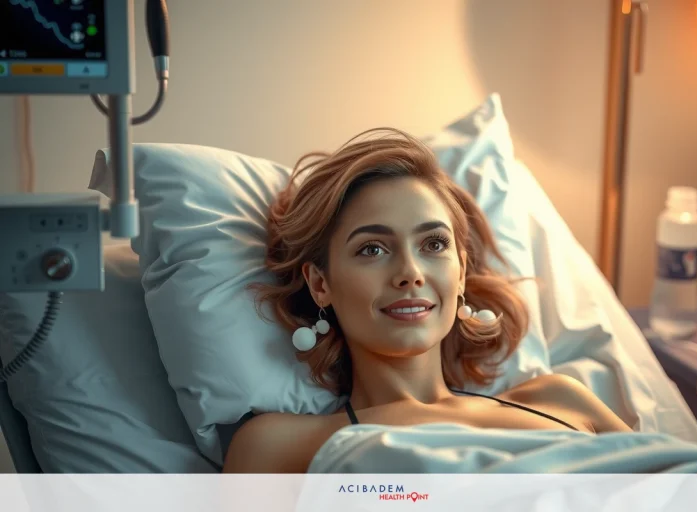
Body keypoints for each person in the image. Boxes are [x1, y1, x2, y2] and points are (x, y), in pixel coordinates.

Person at [223, 128, 632, 473]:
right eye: (372, 249)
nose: (410, 272)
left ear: (460, 273)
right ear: (320, 284)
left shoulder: (562, 399)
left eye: (433, 243)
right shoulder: (275, 447)